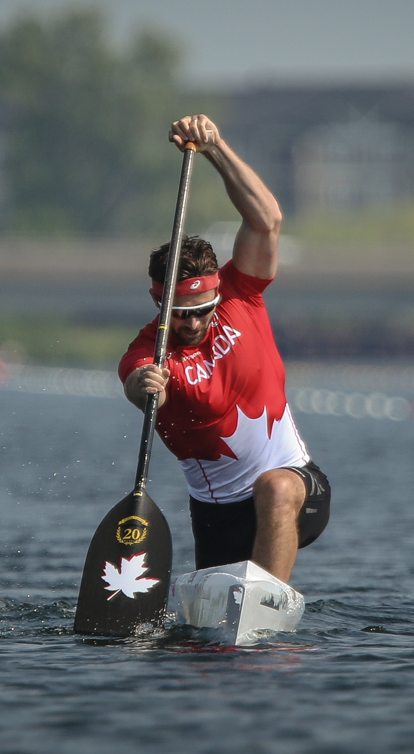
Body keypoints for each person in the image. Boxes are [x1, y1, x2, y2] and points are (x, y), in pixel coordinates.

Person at [118, 114, 329, 584]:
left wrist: (214, 148)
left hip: (296, 485)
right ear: (160, 301)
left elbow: (267, 219)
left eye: (203, 309)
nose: (192, 322)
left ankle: (268, 602)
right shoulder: (149, 351)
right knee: (204, 646)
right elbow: (136, 384)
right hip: (217, 516)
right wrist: (144, 385)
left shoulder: (242, 294)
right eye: (180, 312)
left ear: (217, 295)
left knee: (274, 487)